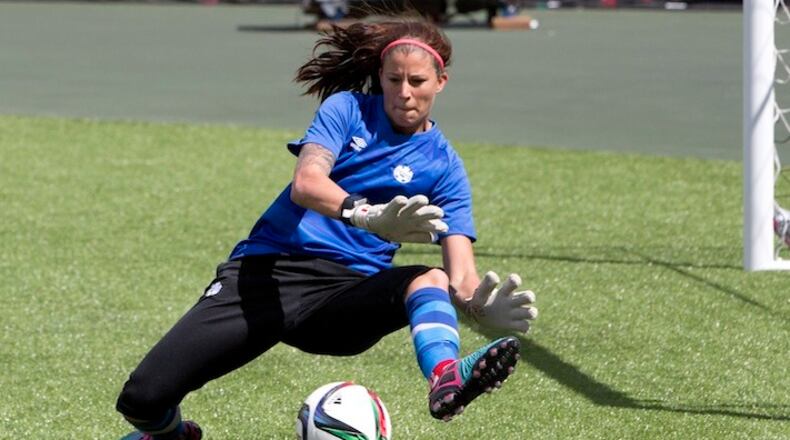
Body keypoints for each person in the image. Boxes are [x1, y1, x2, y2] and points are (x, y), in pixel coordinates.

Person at [116, 19, 538, 440]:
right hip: (268, 275)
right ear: (380, 77)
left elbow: (460, 273)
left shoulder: (445, 166)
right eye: (394, 79)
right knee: (142, 399)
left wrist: (478, 308)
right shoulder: (347, 110)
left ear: (441, 81)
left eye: (417, 81)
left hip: (343, 298)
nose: (404, 92)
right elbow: (307, 183)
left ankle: (446, 376)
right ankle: (175, 438)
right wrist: (366, 215)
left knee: (428, 276)